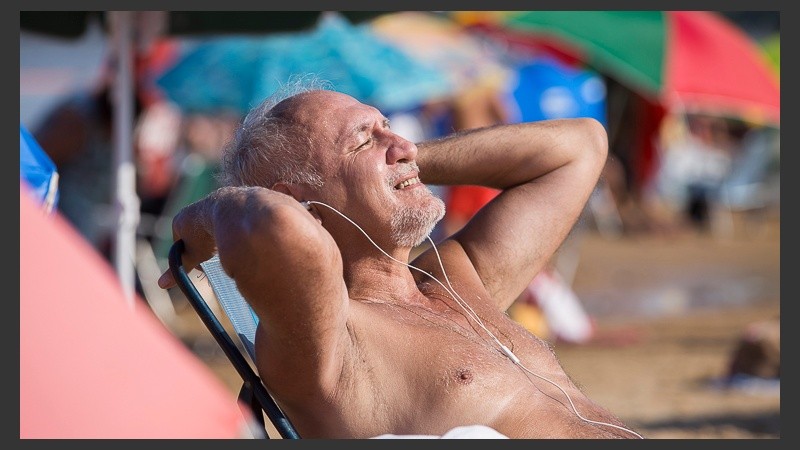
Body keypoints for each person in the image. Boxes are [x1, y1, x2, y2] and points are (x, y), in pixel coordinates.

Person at [157, 78, 643, 439]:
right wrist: (199, 219)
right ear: (301, 204)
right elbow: (279, 229)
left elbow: (579, 146)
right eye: (364, 140)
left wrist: (401, 162)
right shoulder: (325, 336)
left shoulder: (455, 277)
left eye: (388, 126)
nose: (403, 144)